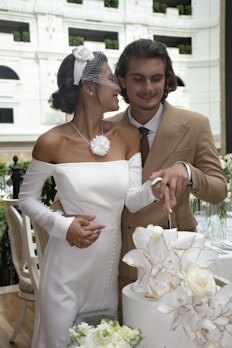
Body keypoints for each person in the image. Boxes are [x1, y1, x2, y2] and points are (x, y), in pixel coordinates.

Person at [18, 45, 172, 348]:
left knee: (102, 341)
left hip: (105, 276)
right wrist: (62, 226)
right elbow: (26, 199)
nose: (118, 86)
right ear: (88, 87)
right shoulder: (51, 141)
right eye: (110, 79)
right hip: (65, 272)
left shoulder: (127, 137)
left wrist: (154, 189)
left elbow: (131, 199)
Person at [109, 38, 227, 290]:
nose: (148, 87)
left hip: (177, 263)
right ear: (122, 80)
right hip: (120, 261)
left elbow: (218, 191)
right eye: (138, 78)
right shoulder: (106, 130)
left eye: (156, 78)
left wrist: (187, 170)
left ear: (167, 80)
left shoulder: (195, 124)